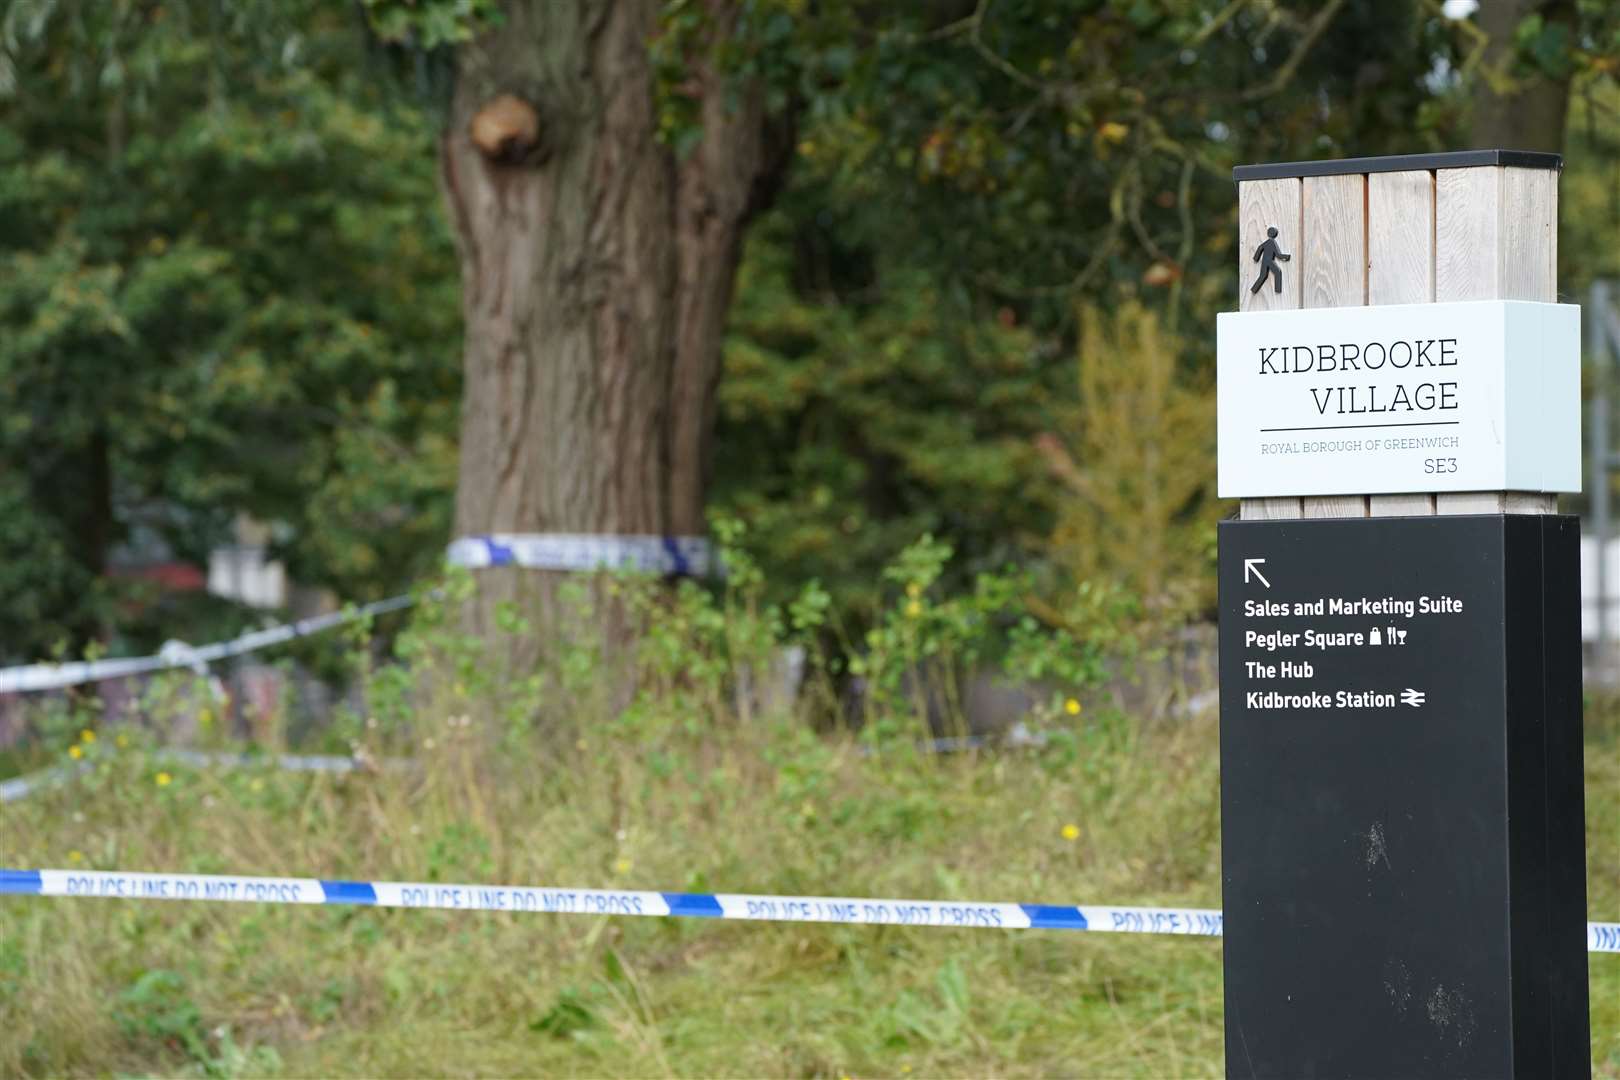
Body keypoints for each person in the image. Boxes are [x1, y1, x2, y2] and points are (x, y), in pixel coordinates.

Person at [1250, 226, 1290, 295]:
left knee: (1262, 276)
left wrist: (1256, 258)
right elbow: (1278, 255)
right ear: (1274, 234)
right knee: (1277, 272)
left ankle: (1254, 289)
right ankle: (1277, 290)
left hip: (1265, 261)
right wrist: (1286, 257)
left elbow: (1260, 248)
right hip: (1269, 261)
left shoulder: (1266, 242)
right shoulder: (1272, 243)